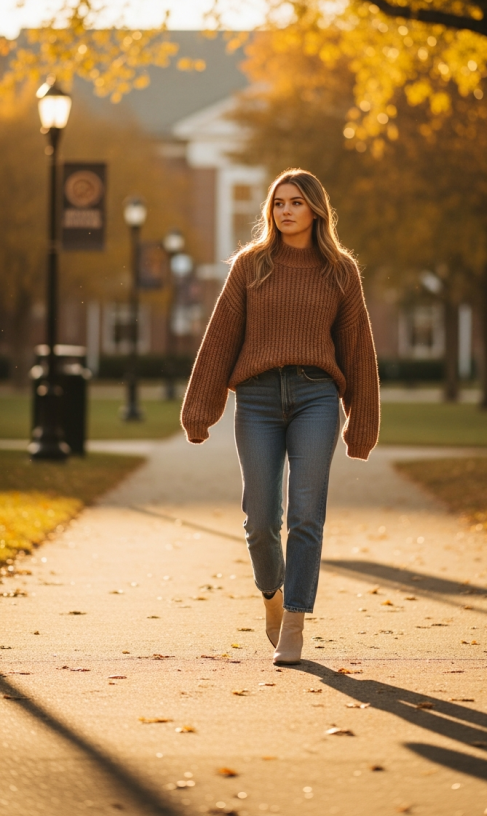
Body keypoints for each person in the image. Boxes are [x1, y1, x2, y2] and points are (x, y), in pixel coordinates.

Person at [181, 169, 380, 664]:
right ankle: (271, 595)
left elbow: (356, 349)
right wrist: (200, 408)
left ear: (316, 208)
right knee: (261, 519)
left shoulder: (340, 270)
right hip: (258, 399)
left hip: (316, 396)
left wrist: (362, 422)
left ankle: (294, 619)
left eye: (295, 202)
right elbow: (221, 336)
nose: (285, 210)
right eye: (278, 203)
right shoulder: (251, 265)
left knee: (307, 514)